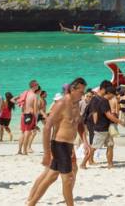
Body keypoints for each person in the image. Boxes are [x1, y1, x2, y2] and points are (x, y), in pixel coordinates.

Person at [26, 78, 89, 206]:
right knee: (67, 179)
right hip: (59, 144)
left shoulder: (77, 104)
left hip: (69, 145)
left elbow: (79, 124)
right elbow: (47, 127)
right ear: (72, 89)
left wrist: (85, 141)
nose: (83, 94)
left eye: (84, 92)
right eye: (81, 91)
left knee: (51, 176)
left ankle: (31, 203)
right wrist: (46, 153)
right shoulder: (61, 104)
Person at [86, 82, 120, 169]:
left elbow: (101, 113)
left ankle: (110, 163)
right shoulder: (99, 99)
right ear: (105, 90)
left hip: (103, 126)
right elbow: (95, 113)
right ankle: (86, 161)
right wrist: (120, 121)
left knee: (110, 145)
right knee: (94, 146)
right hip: (98, 126)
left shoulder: (100, 99)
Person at [17, 80, 40, 156]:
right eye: (37, 84)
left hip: (23, 115)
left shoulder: (25, 93)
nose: (38, 86)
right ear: (34, 86)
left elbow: (18, 101)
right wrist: (36, 120)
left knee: (23, 132)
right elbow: (35, 109)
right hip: (30, 115)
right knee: (28, 132)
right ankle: (25, 151)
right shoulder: (34, 96)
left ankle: (19, 150)